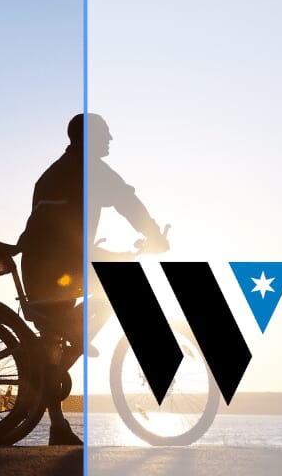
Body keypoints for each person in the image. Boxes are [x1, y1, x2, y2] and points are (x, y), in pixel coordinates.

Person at [16, 112, 168, 445]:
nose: (111, 139)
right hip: (62, 262)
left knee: (52, 341)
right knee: (118, 284)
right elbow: (128, 202)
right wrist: (154, 236)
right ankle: (77, 336)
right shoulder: (89, 169)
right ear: (87, 138)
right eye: (105, 134)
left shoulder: (55, 171)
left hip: (45, 261)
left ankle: (58, 423)